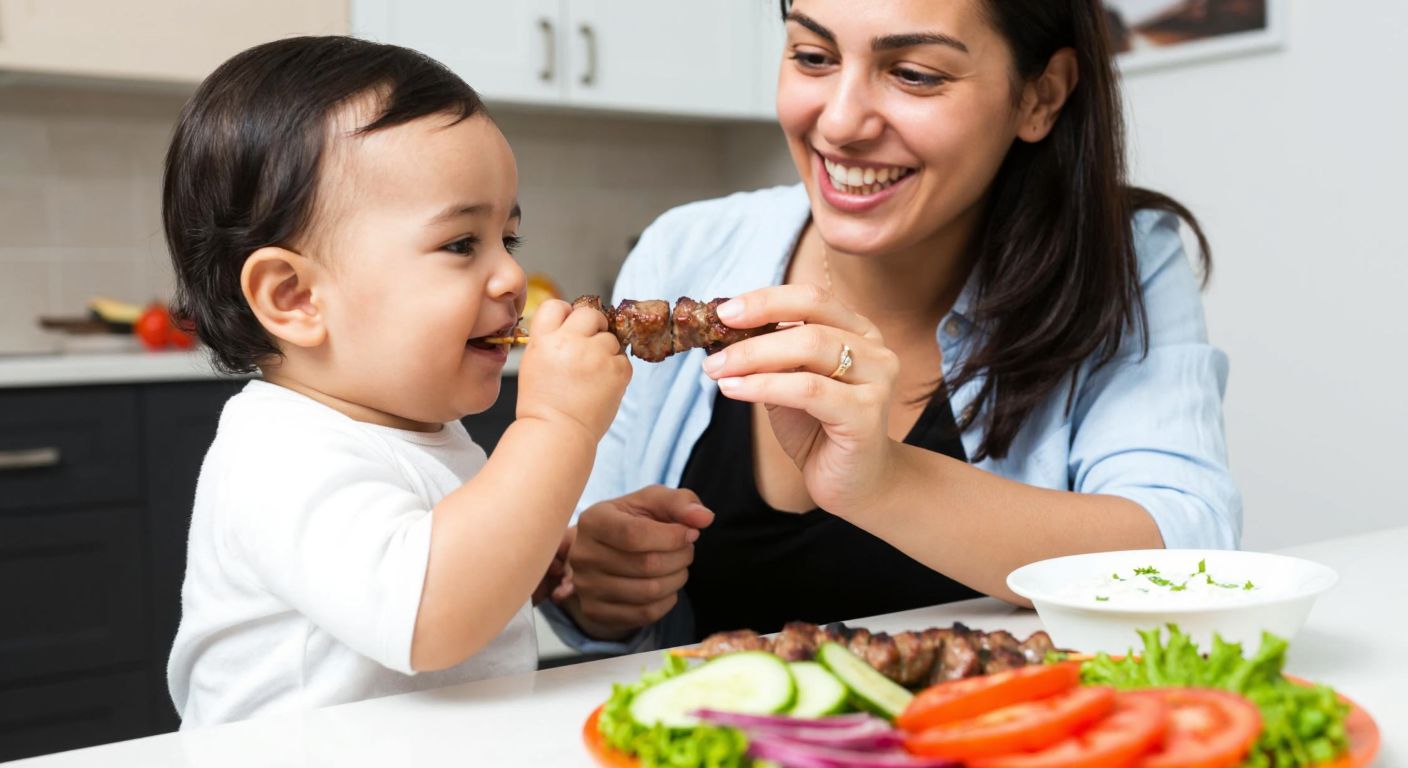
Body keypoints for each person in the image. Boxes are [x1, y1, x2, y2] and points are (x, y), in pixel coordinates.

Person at [544, 0, 1240, 653]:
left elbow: (1183, 550)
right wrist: (598, 593)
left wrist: (885, 481)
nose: (842, 122)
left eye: (914, 73)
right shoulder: (685, 247)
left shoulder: (1123, 259)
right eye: (813, 57)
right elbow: (591, 576)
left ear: (1040, 96)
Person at [163, 36, 630, 727]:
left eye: (510, 239)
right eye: (460, 244)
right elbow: (432, 615)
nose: (509, 277)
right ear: (294, 296)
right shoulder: (277, 452)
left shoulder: (422, 433)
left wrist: (553, 569)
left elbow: (443, 570)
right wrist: (557, 428)